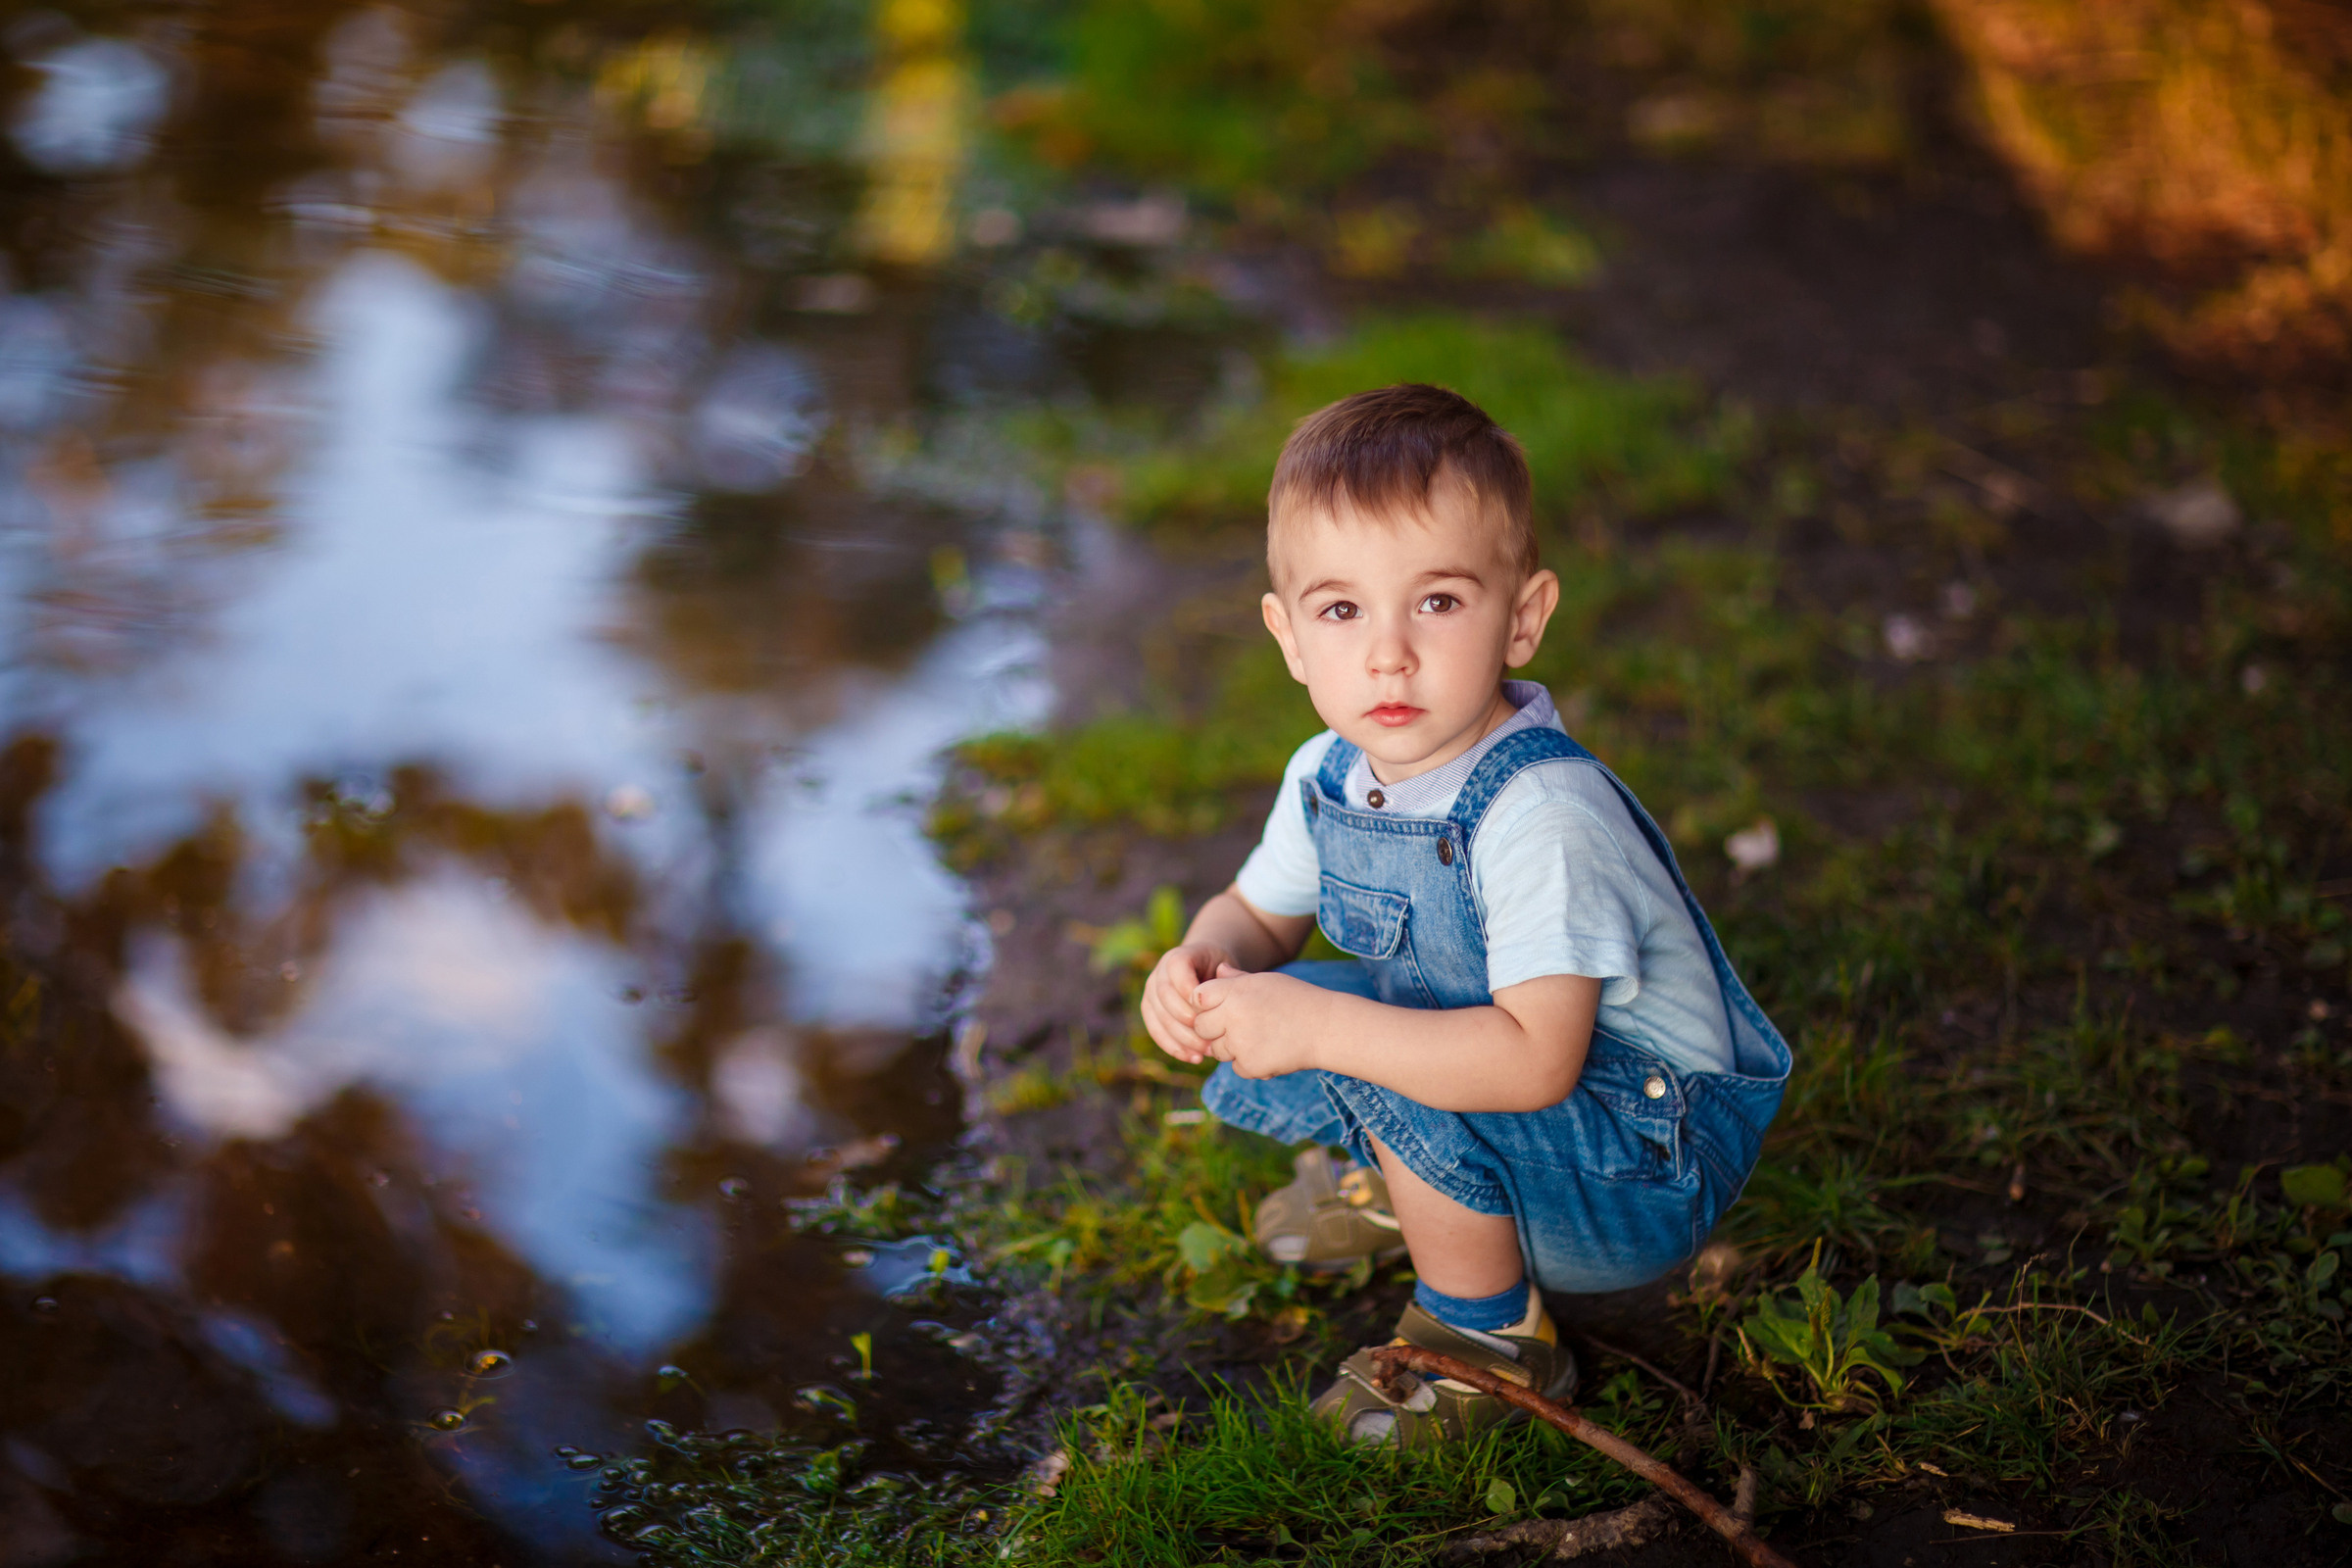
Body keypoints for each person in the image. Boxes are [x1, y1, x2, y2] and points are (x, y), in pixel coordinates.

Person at [1138, 382, 1790, 1446]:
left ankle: (1486, 1337)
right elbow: (1256, 912)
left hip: (1631, 1167)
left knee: (1341, 1027)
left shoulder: (1539, 813)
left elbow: (1535, 1063)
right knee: (1283, 996)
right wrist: (1204, 957)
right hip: (1534, 1110)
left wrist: (1321, 1028)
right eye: (1342, 610)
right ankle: (1421, 1188)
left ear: (1522, 617)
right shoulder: (1329, 772)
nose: (1388, 653)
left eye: (1437, 602)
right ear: (1288, 636)